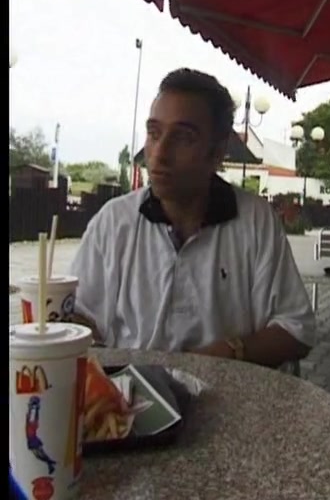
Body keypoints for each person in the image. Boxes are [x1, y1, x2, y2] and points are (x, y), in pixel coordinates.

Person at [68, 68, 315, 368]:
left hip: (226, 390)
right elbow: (80, 315)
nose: (159, 153)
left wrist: (232, 352)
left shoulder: (255, 220)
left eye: (183, 138)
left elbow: (297, 329)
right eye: (154, 134)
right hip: (130, 391)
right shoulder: (115, 220)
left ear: (217, 152)